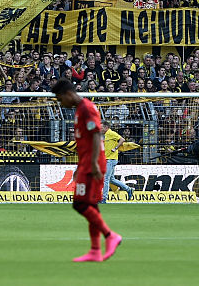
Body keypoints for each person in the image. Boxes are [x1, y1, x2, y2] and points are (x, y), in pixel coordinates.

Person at [51, 79, 122, 263]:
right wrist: (80, 166)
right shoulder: (80, 109)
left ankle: (110, 236)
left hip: (93, 163)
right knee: (90, 205)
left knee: (80, 204)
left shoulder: (87, 109)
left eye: (60, 99)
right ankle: (95, 250)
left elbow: (96, 136)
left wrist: (94, 164)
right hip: (87, 163)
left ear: (68, 94)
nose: (61, 104)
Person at [101, 123, 134, 202]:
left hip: (111, 159)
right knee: (111, 179)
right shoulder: (106, 135)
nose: (100, 129)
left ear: (106, 127)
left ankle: (104, 198)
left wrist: (116, 148)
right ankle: (128, 189)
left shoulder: (111, 133)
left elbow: (122, 139)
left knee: (106, 179)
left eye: (101, 127)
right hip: (108, 159)